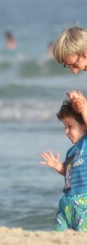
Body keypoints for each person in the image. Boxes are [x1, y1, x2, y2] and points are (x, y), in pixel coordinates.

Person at [40, 97, 87, 231]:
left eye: (70, 126)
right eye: (65, 127)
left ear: (84, 124)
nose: (66, 131)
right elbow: (68, 172)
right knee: (58, 234)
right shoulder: (71, 151)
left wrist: (83, 108)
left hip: (84, 203)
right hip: (67, 202)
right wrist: (57, 166)